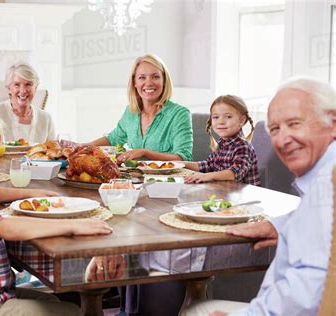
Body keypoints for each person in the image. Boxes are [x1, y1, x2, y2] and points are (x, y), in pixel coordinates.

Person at [0, 108, 113, 315]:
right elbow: (5, 227)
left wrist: (31, 193)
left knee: (67, 304)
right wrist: (75, 225)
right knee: (70, 313)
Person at [181, 77, 336, 316]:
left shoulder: (327, 188)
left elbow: (309, 291)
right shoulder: (324, 179)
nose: (282, 140)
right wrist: (279, 225)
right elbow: (321, 226)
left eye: (294, 124)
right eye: (275, 129)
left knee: (195, 309)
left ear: (332, 123)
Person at [87, 54, 193, 164]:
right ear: (135, 83)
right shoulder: (131, 112)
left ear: (164, 81)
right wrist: (80, 147)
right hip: (135, 179)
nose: (149, 83)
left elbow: (183, 158)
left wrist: (145, 153)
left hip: (168, 180)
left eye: (155, 76)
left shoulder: (179, 114)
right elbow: (112, 139)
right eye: (142, 77)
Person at [183, 95, 261, 185]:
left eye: (228, 117)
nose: (221, 122)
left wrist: (207, 176)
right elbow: (208, 165)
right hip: (224, 192)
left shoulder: (243, 146)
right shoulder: (222, 144)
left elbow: (234, 173)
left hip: (244, 197)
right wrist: (179, 164)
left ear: (242, 120)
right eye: (216, 117)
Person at [0, 62, 56, 144]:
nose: (23, 91)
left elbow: (53, 153)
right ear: (9, 88)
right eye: (17, 85)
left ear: (35, 87)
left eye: (28, 84)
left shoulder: (46, 119)